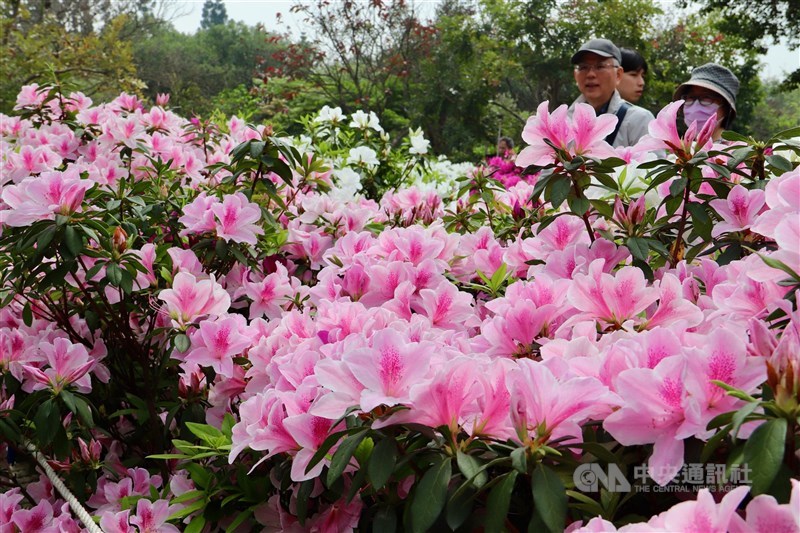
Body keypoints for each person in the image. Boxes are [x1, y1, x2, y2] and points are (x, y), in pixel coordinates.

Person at [569, 38, 654, 147]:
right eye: (583, 67)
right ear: (575, 75)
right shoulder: (564, 120)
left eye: (600, 67)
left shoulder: (639, 120)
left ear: (618, 74)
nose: (590, 74)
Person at [673, 63, 739, 141]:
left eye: (706, 97)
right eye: (690, 97)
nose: (695, 106)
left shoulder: (736, 148)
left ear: (727, 109)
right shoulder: (684, 147)